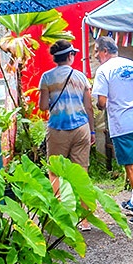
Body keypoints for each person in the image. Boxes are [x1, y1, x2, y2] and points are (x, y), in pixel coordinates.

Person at [92, 36, 133, 225]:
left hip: (122, 123)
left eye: (97, 51)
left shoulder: (104, 70)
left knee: (130, 166)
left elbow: (102, 102)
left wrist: (101, 104)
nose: (96, 55)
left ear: (105, 51)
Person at [39, 40, 95, 231]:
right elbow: (89, 107)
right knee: (81, 173)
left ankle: (60, 219)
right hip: (81, 128)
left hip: (58, 129)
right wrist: (92, 130)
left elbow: (43, 106)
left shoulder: (46, 78)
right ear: (70, 55)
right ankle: (84, 220)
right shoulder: (81, 77)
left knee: (55, 172)